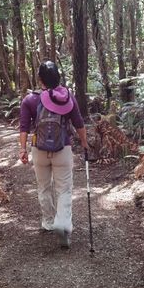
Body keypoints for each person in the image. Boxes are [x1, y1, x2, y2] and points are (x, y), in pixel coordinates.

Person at [19, 61, 88, 248]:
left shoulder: (30, 100)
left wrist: (23, 149)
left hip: (39, 150)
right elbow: (79, 122)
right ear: (58, 77)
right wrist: (84, 142)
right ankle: (63, 223)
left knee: (43, 187)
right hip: (63, 150)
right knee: (64, 189)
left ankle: (48, 222)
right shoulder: (67, 97)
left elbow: (24, 127)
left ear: (39, 79)